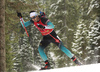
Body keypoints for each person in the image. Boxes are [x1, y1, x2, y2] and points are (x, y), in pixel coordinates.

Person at [17, 11, 81, 70]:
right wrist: (21, 18)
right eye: (31, 18)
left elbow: (52, 26)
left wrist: (44, 27)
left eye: (34, 17)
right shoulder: (33, 21)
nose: (33, 19)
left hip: (52, 36)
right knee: (40, 49)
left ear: (37, 16)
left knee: (62, 48)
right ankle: (47, 65)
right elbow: (24, 25)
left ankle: (76, 61)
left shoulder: (43, 19)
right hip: (45, 37)